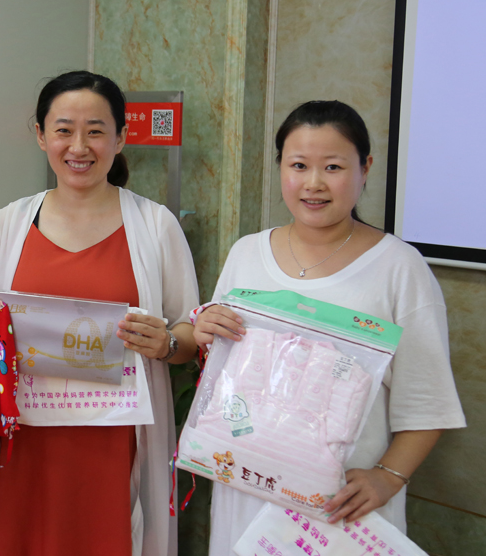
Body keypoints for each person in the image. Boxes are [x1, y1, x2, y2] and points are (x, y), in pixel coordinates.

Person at [193, 101, 465, 554]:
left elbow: (427, 402)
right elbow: (228, 371)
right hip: (244, 486)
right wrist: (208, 332)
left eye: (333, 167)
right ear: (281, 166)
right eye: (298, 165)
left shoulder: (399, 267)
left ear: (365, 168)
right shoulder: (247, 252)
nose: (314, 183)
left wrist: (388, 477)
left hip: (340, 509)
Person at [0, 71, 201, 556]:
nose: (79, 147)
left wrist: (166, 343)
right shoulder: (10, 223)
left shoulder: (155, 225)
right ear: (41, 135)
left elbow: (189, 334)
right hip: (26, 436)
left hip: (116, 440)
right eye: (63, 130)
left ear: (121, 137)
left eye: (95, 131)